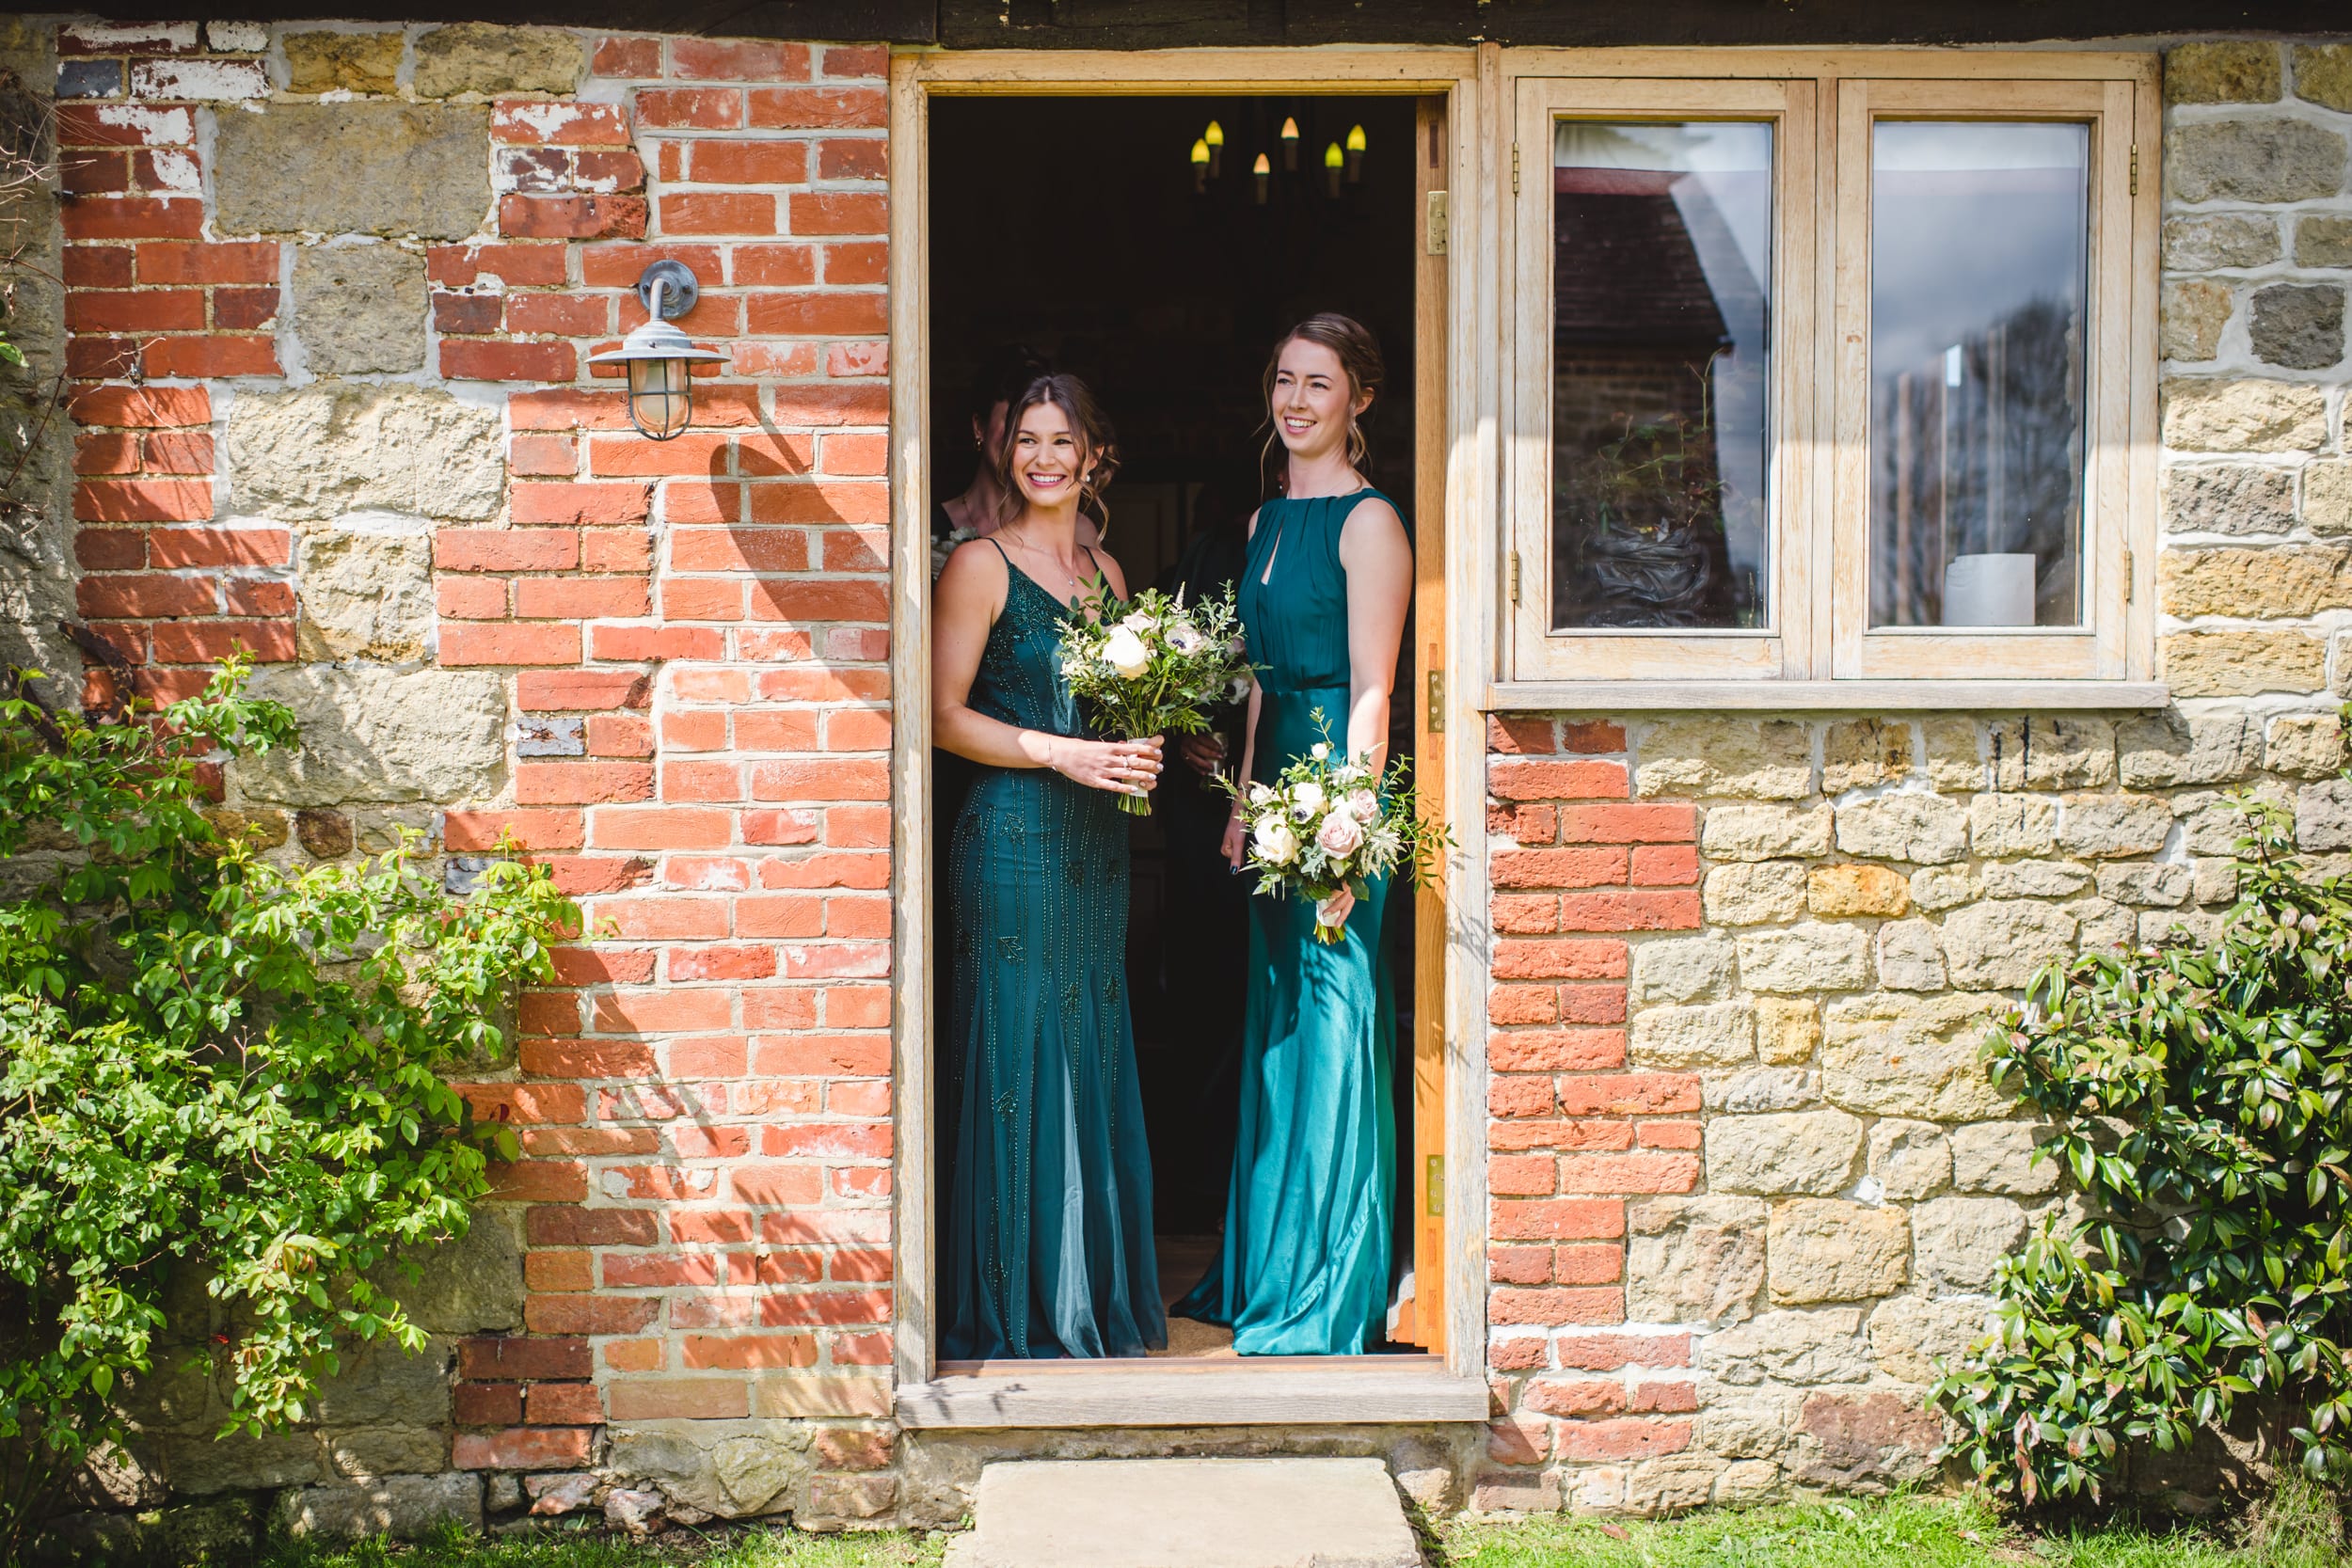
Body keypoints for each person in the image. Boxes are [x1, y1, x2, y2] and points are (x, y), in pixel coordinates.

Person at [1175, 315, 1412, 1356]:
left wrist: (1352, 827)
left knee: (1334, 1024)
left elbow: (1374, 687)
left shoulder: (1370, 523)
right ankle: (1271, 1259)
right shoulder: (1267, 519)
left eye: (1319, 383)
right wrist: (1238, 800)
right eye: (1284, 380)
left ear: (1360, 398)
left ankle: (1331, 1281)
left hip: (1336, 795)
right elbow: (1264, 684)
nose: (1297, 400)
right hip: (1272, 787)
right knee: (1276, 1028)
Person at [932, 373, 1166, 1359]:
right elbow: (942, 713)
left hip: (1094, 846)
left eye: (1060, 440)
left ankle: (1089, 1292)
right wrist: (1055, 749)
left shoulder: (1108, 575)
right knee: (1017, 1058)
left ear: (1093, 456)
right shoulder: (980, 565)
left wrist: (1154, 739)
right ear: (1007, 452)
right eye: (1026, 439)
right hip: (1013, 837)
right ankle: (1014, 1303)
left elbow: (1111, 715)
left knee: (1089, 1047)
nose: (1041, 456)